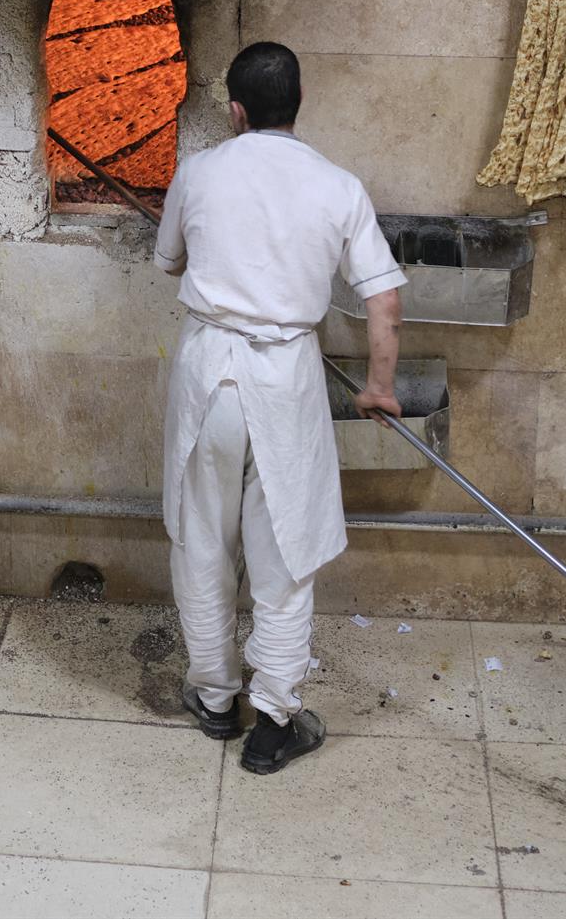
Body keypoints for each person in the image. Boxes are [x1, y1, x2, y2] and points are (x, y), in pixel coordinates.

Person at [153, 41, 405, 774]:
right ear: (298, 103)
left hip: (210, 375)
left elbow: (169, 260)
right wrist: (378, 385)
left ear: (235, 110)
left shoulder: (198, 171)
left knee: (203, 541)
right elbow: (382, 297)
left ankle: (214, 697)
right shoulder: (337, 185)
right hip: (286, 381)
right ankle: (273, 720)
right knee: (286, 554)